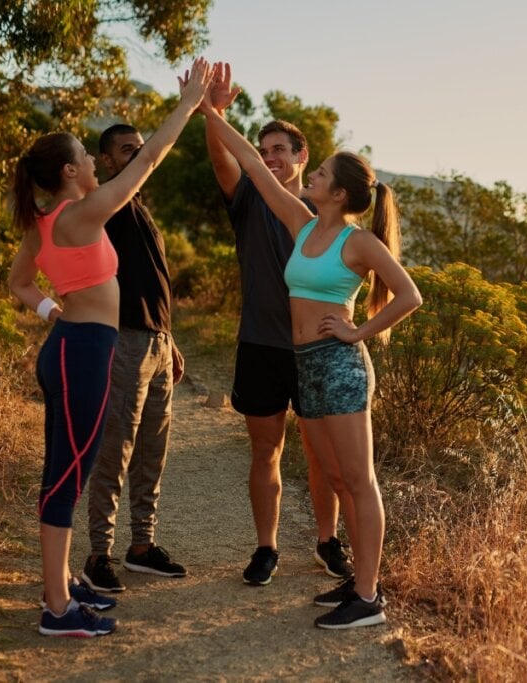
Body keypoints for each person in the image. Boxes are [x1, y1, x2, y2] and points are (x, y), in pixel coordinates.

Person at [203, 61, 422, 629]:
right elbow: (251, 163)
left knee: (358, 480)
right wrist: (205, 108)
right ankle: (358, 581)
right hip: (304, 364)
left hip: (341, 368)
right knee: (335, 475)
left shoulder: (358, 243)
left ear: (340, 191)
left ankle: (368, 596)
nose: (312, 174)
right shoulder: (303, 225)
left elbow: (408, 296)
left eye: (320, 171)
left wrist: (357, 332)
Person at [8, 58, 212, 636]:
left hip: (70, 346)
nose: (98, 165)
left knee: (61, 472)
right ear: (72, 171)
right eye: (89, 157)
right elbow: (147, 160)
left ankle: (63, 582)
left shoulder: (44, 222)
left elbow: (20, 282)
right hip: (84, 351)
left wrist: (55, 311)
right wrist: (190, 104)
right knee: (68, 476)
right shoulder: (81, 214)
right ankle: (56, 609)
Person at [199, 63, 353, 587]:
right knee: (266, 451)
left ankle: (327, 542)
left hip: (313, 351)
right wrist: (212, 112)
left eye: (279, 150)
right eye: (263, 152)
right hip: (260, 346)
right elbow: (225, 157)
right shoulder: (247, 197)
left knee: (322, 456)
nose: (269, 158)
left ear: (301, 156)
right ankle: (266, 548)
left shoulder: (325, 213)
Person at [79, 123, 188, 595]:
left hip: (156, 345)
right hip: (123, 344)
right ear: (106, 161)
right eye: (127, 151)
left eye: (140, 150)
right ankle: (97, 555)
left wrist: (169, 339)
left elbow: (151, 283)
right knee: (115, 451)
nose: (138, 157)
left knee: (152, 453)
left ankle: (141, 547)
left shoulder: (141, 209)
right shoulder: (110, 204)